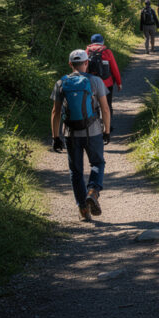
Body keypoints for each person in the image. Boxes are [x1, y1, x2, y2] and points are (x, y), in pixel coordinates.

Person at [51, 49, 111, 220]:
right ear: (87, 63)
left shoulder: (61, 83)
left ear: (70, 64)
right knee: (97, 162)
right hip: (93, 132)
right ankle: (92, 191)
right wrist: (106, 131)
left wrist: (56, 137)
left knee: (76, 171)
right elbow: (105, 108)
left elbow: (55, 112)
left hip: (70, 133)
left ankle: (84, 210)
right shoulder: (96, 81)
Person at [86, 34, 122, 117]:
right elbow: (114, 68)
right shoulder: (107, 51)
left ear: (92, 42)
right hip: (106, 83)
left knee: (92, 104)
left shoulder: (87, 51)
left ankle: (95, 124)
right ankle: (107, 126)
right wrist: (119, 83)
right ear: (102, 41)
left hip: (91, 83)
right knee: (107, 104)